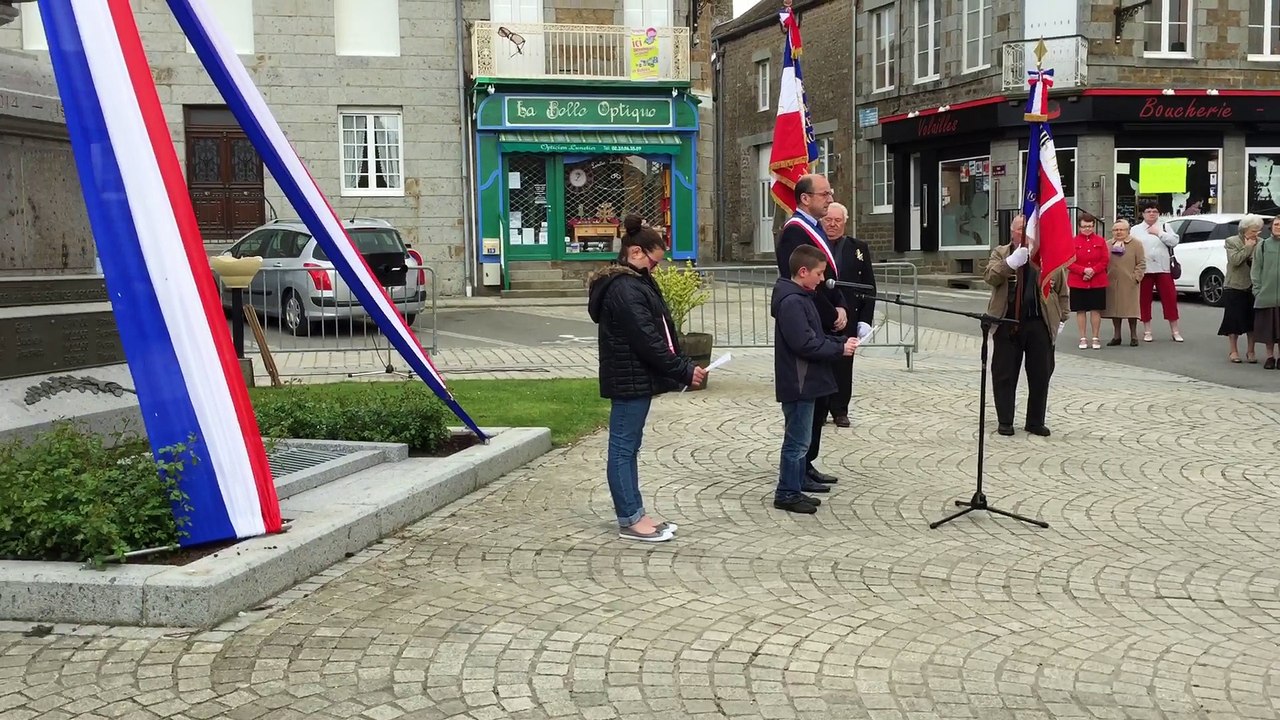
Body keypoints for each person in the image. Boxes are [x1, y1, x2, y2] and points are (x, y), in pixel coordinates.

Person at [587, 215, 708, 542]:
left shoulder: (633, 281)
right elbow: (648, 339)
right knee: (623, 448)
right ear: (636, 252)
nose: (655, 268)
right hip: (628, 378)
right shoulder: (625, 287)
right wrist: (683, 369)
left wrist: (681, 365)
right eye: (653, 262)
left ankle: (636, 513)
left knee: (628, 447)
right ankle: (630, 518)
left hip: (634, 376)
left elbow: (658, 332)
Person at [771, 245, 858, 514]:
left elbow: (815, 336)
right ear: (803, 272)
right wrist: (839, 349)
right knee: (796, 442)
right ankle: (786, 492)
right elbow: (804, 343)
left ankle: (796, 485)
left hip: (806, 380)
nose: (822, 279)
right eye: (819, 273)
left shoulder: (802, 297)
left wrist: (839, 341)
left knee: (801, 439)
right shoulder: (792, 302)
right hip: (799, 381)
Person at [773, 173, 847, 488]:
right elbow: (806, 283)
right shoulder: (795, 232)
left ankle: (807, 462)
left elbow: (827, 277)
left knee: (819, 403)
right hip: (812, 322)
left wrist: (841, 304)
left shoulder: (816, 227)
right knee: (807, 410)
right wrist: (832, 314)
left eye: (830, 193)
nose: (830, 199)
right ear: (805, 198)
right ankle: (798, 471)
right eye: (824, 194)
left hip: (824, 319)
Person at [984, 213, 1070, 437]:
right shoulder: (1001, 252)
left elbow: (1062, 290)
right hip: (1008, 321)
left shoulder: (1047, 254)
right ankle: (1005, 420)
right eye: (1021, 229)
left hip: (1039, 322)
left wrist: (1062, 318)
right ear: (1012, 231)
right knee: (1004, 373)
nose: (1025, 233)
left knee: (1041, 373)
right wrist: (1010, 263)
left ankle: (1035, 421)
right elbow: (990, 277)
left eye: (1030, 228)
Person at [819, 201, 876, 428]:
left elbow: (869, 286)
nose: (832, 225)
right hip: (821, 314)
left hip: (850, 316)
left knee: (844, 364)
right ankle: (820, 410)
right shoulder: (815, 244)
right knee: (821, 363)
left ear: (845, 223)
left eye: (837, 221)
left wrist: (865, 320)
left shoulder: (858, 248)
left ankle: (840, 409)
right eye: (828, 220)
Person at [1130, 201, 1183, 342]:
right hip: (1145, 269)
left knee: (1170, 299)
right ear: (1143, 214)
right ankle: (1147, 330)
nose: (1152, 214)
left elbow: (1174, 241)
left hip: (1163, 268)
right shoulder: (1135, 230)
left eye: (1154, 211)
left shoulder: (1165, 226)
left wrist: (1159, 233)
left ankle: (1175, 331)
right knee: (1144, 300)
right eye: (1148, 211)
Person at [1219, 215, 1262, 364]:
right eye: (1253, 231)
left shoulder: (1261, 243)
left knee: (1252, 322)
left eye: (1258, 230)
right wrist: (1248, 247)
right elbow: (1235, 260)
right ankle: (1233, 351)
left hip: (1254, 286)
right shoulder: (1232, 241)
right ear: (1244, 229)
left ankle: (1251, 351)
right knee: (1233, 322)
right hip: (1235, 285)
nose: (1256, 234)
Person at [1067, 213, 1109, 349]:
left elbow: (1105, 260)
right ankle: (1083, 338)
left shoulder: (1100, 241)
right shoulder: (1072, 242)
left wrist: (1093, 271)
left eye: (1090, 226)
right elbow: (1068, 262)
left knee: (1096, 310)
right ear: (1079, 227)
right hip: (1078, 281)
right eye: (1084, 226)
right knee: (1081, 310)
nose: (1087, 229)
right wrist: (1083, 271)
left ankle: (1095, 338)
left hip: (1097, 280)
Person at [1103, 219, 1145, 346]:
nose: (1118, 232)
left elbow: (1141, 263)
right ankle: (1117, 336)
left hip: (1129, 282)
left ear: (1128, 231)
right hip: (1111, 282)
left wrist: (1136, 277)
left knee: (1131, 310)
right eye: (1116, 230)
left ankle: (1134, 336)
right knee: (1115, 310)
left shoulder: (1136, 244)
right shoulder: (1107, 244)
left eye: (1121, 229)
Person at [1250, 216, 1280, 368]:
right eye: (1276, 224)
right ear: (1271, 227)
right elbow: (1256, 269)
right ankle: (1270, 357)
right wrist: (1257, 290)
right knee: (1269, 331)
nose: (1278, 227)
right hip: (1266, 296)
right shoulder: (1263, 246)